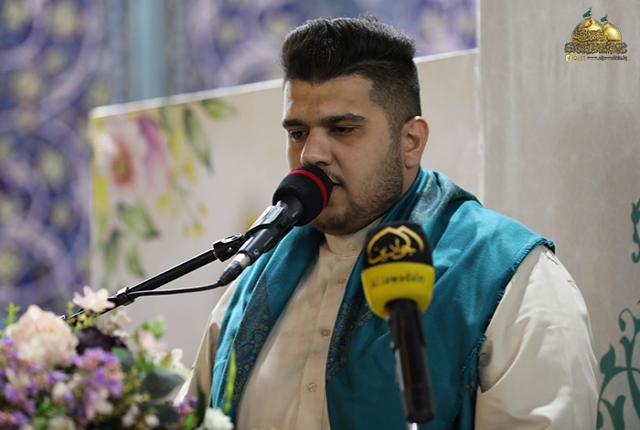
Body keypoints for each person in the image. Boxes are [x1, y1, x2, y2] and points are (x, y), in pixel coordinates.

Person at [177, 16, 598, 429]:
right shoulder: (256, 280)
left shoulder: (509, 275)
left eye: (343, 129)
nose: (311, 154)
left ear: (410, 141)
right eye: (298, 132)